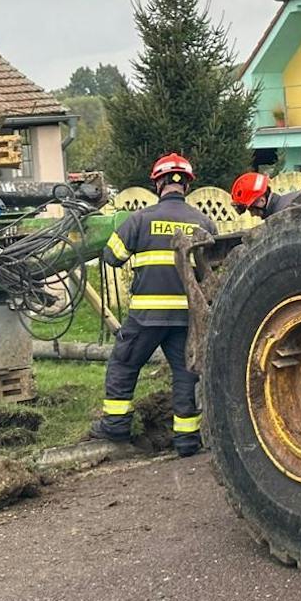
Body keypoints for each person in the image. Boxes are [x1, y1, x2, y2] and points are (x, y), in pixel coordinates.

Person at [91, 152, 217, 456]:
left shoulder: (140, 219)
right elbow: (211, 273)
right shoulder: (204, 223)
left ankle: (117, 425)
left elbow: (111, 256)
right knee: (186, 374)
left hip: (147, 315)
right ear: (185, 185)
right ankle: (187, 441)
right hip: (187, 318)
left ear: (158, 183)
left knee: (124, 364)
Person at [229, 169, 301, 219]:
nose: (252, 215)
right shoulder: (292, 200)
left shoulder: (280, 217)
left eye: (251, 209)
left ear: (262, 200)